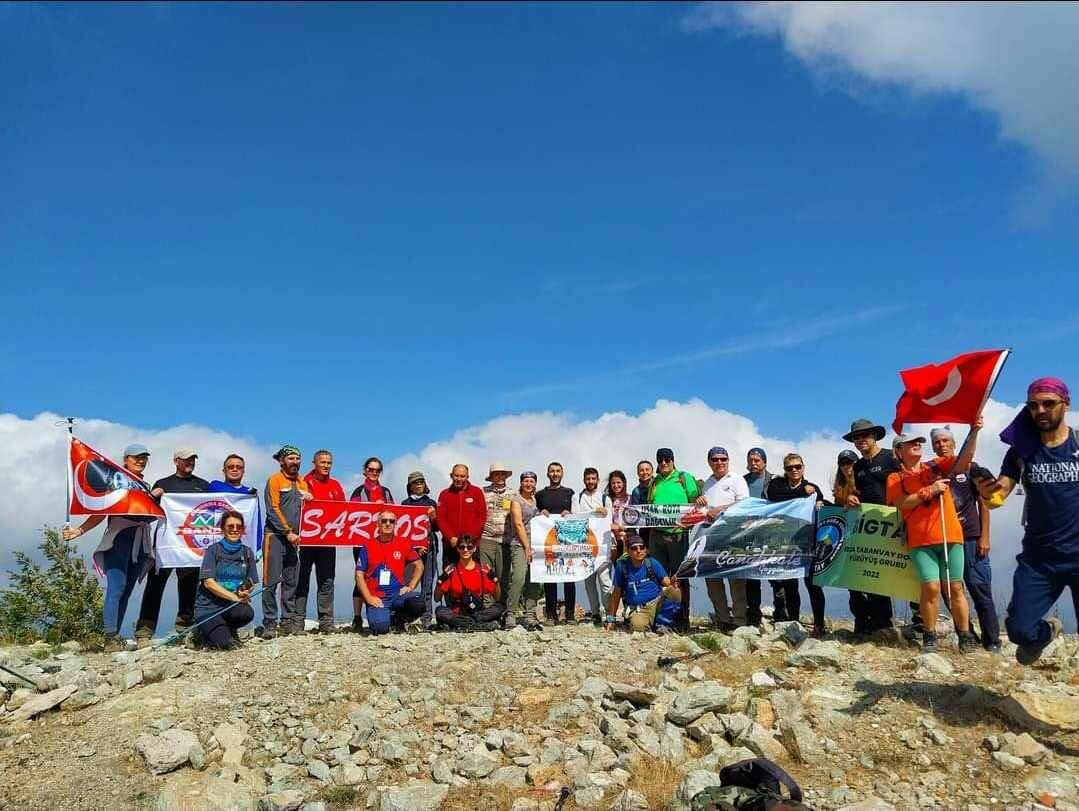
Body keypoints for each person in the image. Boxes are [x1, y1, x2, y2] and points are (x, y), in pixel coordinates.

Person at [978, 378, 1078, 664]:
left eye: (1049, 403)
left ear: (1065, 405)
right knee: (1020, 630)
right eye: (1034, 406)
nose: (1041, 410)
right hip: (1040, 558)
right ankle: (1047, 632)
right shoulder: (1021, 452)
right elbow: (1000, 494)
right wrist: (988, 494)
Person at [888, 423, 982, 653]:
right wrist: (929, 491)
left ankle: (965, 635)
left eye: (919, 442)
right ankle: (929, 637)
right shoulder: (895, 477)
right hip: (921, 539)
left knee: (956, 588)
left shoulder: (937, 466)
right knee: (930, 588)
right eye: (911, 443)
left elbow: (964, 461)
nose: (918, 444)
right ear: (899, 451)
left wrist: (975, 432)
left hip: (950, 535)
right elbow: (901, 504)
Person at [63, 443, 158, 651]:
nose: (140, 461)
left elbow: (150, 516)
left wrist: (155, 499)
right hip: (119, 540)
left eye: (144, 458)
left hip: (140, 542)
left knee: (127, 590)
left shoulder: (146, 485)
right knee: (117, 587)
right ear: (126, 460)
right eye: (136, 458)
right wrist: (78, 531)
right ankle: (110, 636)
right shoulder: (116, 481)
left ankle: (114, 637)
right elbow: (100, 510)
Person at [931, 427, 1001, 653]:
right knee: (949, 592)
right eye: (937, 442)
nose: (941, 445)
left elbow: (984, 503)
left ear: (953, 443)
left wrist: (985, 536)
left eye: (945, 441)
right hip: (945, 539)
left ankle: (992, 641)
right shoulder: (930, 470)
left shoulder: (970, 468)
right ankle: (967, 635)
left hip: (971, 537)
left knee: (979, 588)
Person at [134, 447, 210, 642]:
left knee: (189, 587)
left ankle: (184, 628)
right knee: (154, 585)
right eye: (186, 459)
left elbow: (216, 507)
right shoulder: (163, 483)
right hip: (165, 544)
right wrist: (153, 496)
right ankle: (145, 629)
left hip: (190, 545)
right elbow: (149, 511)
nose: (190, 463)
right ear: (176, 461)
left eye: (193, 459)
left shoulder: (203, 485)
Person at [843, 419, 898, 635]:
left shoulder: (891, 457)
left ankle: (917, 622)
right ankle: (872, 622)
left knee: (899, 572)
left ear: (874, 436)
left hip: (895, 523)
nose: (860, 440)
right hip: (870, 527)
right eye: (856, 437)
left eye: (865, 435)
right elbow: (857, 492)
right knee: (871, 572)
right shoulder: (858, 467)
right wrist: (851, 499)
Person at [764, 453, 827, 636]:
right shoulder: (777, 485)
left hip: (809, 544)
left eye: (797, 467)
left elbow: (822, 503)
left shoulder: (814, 488)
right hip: (786, 543)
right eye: (790, 468)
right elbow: (775, 496)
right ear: (785, 470)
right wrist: (802, 492)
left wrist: (820, 502)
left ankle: (819, 624)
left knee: (813, 585)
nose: (794, 470)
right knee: (790, 585)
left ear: (803, 468)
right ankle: (794, 622)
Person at [697, 446, 750, 631]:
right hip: (711, 536)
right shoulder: (708, 482)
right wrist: (701, 503)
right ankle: (722, 618)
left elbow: (744, 504)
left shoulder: (736, 479)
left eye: (723, 459)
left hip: (733, 536)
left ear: (728, 460)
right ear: (709, 462)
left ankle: (740, 620)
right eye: (715, 459)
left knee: (736, 580)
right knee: (713, 580)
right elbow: (705, 511)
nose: (719, 462)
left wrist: (719, 510)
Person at [648, 447, 700, 631]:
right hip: (657, 536)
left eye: (667, 460)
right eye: (660, 460)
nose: (663, 463)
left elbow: (696, 502)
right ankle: (658, 617)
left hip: (678, 535)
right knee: (657, 576)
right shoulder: (654, 482)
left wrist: (694, 515)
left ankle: (681, 618)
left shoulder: (684, 478)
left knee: (680, 576)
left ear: (673, 460)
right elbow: (649, 507)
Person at [261, 445, 311, 638]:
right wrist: (287, 531)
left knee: (291, 580)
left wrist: (311, 501)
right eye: (291, 458)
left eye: (297, 458)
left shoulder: (302, 482)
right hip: (274, 537)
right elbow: (272, 509)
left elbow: (307, 512)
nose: (295, 462)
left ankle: (287, 621)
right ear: (282, 461)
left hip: (295, 539)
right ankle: (270, 623)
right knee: (270, 581)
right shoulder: (274, 480)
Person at [193, 510, 258, 650]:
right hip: (208, 609)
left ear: (243, 530)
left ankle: (228, 629)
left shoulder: (247, 552)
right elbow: (208, 583)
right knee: (226, 646)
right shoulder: (212, 550)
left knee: (246, 613)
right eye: (230, 526)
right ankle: (203, 632)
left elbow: (252, 582)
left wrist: (245, 592)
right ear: (223, 529)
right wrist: (234, 597)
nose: (234, 530)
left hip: (230, 607)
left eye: (238, 527)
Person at [297, 450, 345, 634]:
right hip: (305, 542)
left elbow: (343, 511)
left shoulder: (335, 485)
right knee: (301, 580)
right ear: (314, 463)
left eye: (329, 463)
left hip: (327, 542)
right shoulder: (303, 482)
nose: (326, 465)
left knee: (326, 581)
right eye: (322, 462)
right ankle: (297, 621)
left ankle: (326, 622)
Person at [355, 509, 426, 634]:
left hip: (398, 594)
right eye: (384, 521)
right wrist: (369, 598)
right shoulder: (368, 545)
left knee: (418, 603)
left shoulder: (404, 542)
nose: (388, 524)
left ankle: (401, 618)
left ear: (395, 524)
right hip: (377, 596)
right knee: (380, 628)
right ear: (378, 524)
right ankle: (388, 618)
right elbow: (359, 575)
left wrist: (411, 586)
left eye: (391, 521)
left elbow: (419, 565)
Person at [348, 456, 395, 630]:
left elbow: (394, 514)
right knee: (361, 576)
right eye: (371, 469)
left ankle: (386, 610)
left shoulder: (387, 492)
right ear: (365, 471)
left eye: (377, 470)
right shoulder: (358, 492)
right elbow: (350, 514)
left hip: (383, 542)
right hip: (361, 542)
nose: (374, 473)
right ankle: (357, 617)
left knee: (387, 574)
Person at [605, 533, 680, 633]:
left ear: (646, 549)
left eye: (642, 547)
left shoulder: (652, 563)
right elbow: (616, 593)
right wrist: (611, 619)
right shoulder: (622, 567)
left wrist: (673, 581)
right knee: (638, 628)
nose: (639, 551)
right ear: (628, 551)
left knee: (674, 590)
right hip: (639, 609)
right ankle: (651, 624)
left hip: (657, 603)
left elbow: (667, 583)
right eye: (634, 548)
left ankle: (663, 624)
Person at [434, 535, 502, 631]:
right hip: (457, 612)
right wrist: (439, 582)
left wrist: (496, 581)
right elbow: (437, 599)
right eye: (462, 547)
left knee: (498, 608)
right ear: (457, 549)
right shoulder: (451, 570)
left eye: (469, 547)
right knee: (440, 610)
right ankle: (476, 625)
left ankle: (464, 624)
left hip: (478, 612)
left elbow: (497, 597)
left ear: (474, 549)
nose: (465, 550)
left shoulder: (482, 570)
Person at [536, 462, 576, 624]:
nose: (555, 474)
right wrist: (540, 512)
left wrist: (570, 513)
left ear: (562, 473)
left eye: (558, 471)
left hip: (567, 541)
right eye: (552, 471)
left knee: (569, 577)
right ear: (547, 474)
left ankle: (570, 615)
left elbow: (577, 514)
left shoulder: (569, 493)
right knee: (549, 577)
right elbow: (534, 514)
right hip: (548, 542)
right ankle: (551, 615)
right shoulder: (540, 495)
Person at [504, 471, 543, 630]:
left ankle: (530, 613)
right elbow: (518, 524)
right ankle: (510, 613)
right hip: (520, 544)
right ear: (521, 483)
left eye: (532, 481)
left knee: (534, 581)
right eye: (526, 481)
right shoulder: (516, 500)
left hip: (537, 545)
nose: (529, 484)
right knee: (519, 578)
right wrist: (527, 547)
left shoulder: (535, 500)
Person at [402, 471, 440, 628]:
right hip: (410, 549)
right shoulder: (404, 504)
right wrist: (414, 547)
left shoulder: (431, 502)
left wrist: (434, 516)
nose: (418, 485)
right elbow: (403, 529)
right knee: (407, 582)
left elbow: (437, 528)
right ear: (410, 486)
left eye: (421, 482)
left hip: (430, 547)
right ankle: (407, 615)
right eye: (415, 483)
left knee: (427, 583)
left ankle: (426, 617)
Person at [478, 462, 516, 610]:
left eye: (502, 474)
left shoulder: (514, 494)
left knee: (503, 576)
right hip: (486, 538)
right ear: (491, 477)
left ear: (506, 476)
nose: (499, 477)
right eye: (496, 474)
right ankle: (487, 609)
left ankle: (503, 609)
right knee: (486, 574)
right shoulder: (482, 492)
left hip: (506, 540)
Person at [742, 448, 773, 626]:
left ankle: (781, 614)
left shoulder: (774, 481)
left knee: (775, 575)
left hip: (770, 535)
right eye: (751, 460)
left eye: (757, 460)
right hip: (748, 535)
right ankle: (753, 615)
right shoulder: (742, 481)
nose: (754, 463)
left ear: (764, 462)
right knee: (751, 578)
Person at [436, 464, 487, 570]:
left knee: (473, 578)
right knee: (449, 578)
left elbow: (481, 518)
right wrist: (451, 537)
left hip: (470, 546)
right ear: (451, 475)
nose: (459, 479)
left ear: (467, 477)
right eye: (456, 475)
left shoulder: (476, 492)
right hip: (450, 545)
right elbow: (441, 519)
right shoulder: (444, 494)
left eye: (462, 476)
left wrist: (470, 539)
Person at [578, 467, 611, 624]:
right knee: (589, 582)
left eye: (593, 479)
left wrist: (605, 512)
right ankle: (596, 613)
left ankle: (609, 613)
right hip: (585, 546)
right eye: (588, 479)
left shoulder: (605, 498)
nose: (590, 481)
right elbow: (574, 518)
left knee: (605, 581)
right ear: (584, 480)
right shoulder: (577, 498)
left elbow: (611, 521)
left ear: (597, 480)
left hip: (603, 545)